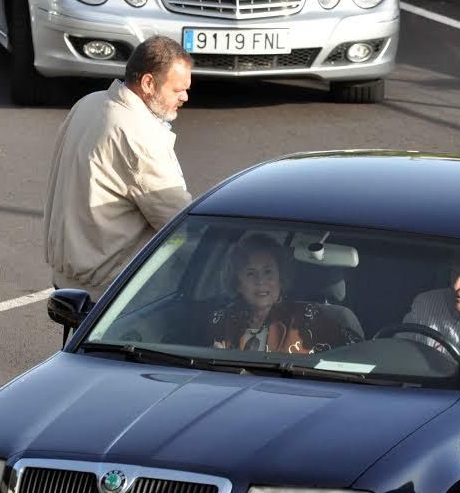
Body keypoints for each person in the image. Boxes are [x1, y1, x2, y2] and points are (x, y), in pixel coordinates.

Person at [42, 36, 194, 301]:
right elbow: (177, 221)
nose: (185, 96)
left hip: (67, 274)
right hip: (111, 287)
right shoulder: (139, 135)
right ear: (148, 83)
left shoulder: (89, 103)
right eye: (177, 89)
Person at [208, 234, 362, 353]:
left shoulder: (308, 317)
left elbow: (356, 356)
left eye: (268, 272)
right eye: (250, 273)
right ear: (237, 283)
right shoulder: (222, 319)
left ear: (280, 278)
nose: (260, 281)